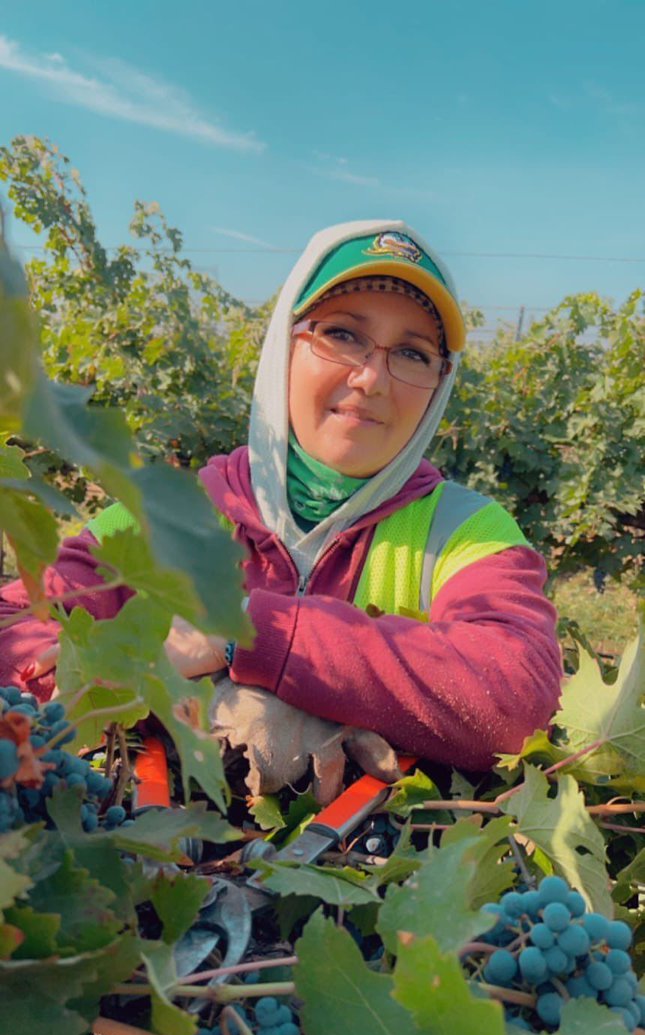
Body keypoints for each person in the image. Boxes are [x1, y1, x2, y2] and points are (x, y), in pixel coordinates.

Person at [0, 220, 562, 796]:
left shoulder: (467, 531)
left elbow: (514, 696)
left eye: (414, 354)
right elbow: (17, 631)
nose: (371, 379)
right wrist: (165, 693)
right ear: (285, 346)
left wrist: (245, 637)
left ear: (440, 383)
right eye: (343, 335)